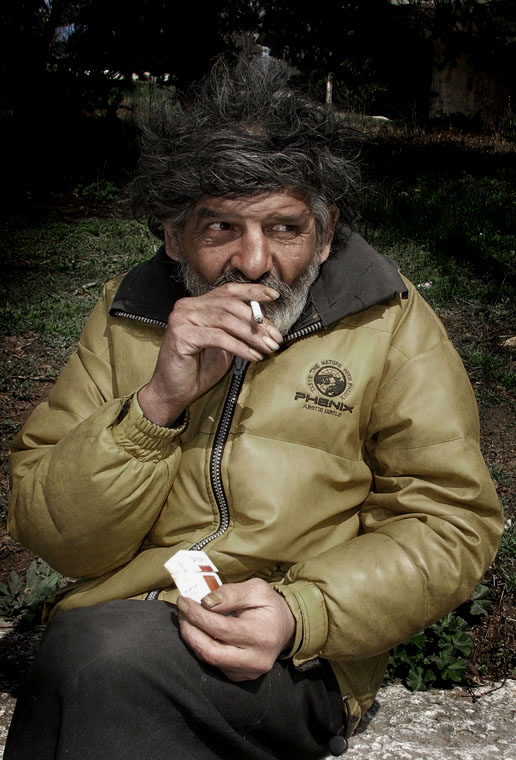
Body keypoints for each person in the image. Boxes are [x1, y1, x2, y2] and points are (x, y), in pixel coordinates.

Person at [5, 57, 503, 760]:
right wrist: (158, 403)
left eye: (285, 228)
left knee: (98, 660)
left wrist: (300, 613)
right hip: (120, 628)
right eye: (220, 228)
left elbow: (452, 522)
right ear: (174, 236)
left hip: (295, 658)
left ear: (324, 235)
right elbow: (56, 535)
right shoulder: (130, 313)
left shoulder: (387, 321)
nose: (253, 261)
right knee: (95, 654)